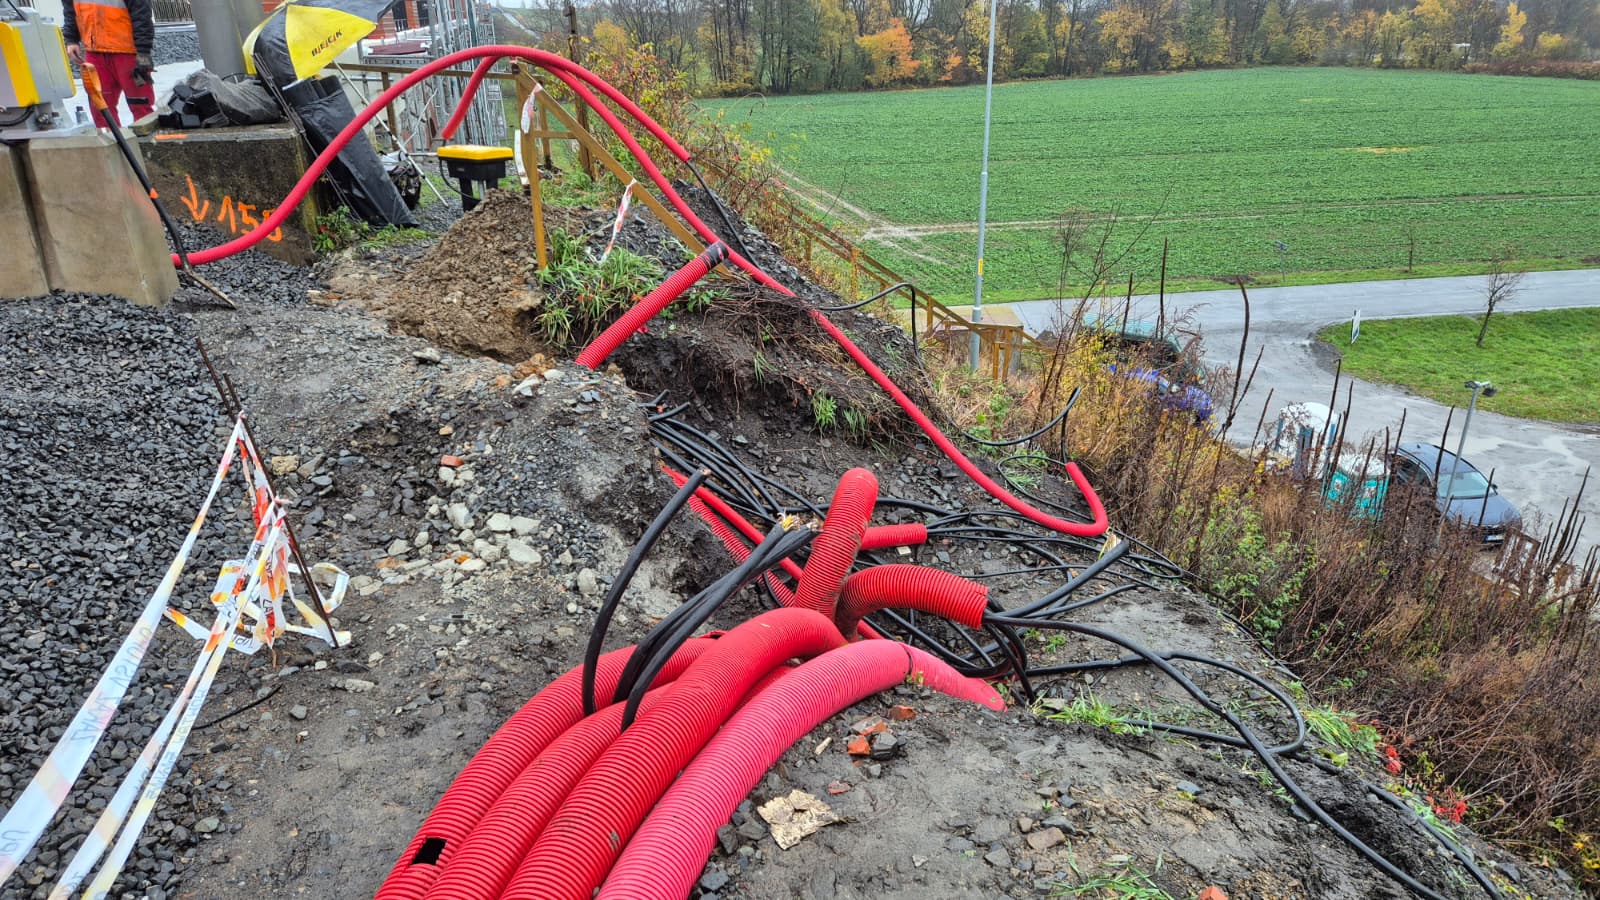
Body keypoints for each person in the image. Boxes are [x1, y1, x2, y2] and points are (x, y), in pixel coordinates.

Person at [62, 0, 156, 127]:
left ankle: (147, 139)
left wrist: (143, 51)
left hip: (128, 52)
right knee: (100, 107)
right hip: (95, 52)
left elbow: (141, 14)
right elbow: (70, 9)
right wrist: (71, 39)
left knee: (140, 106)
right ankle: (109, 138)